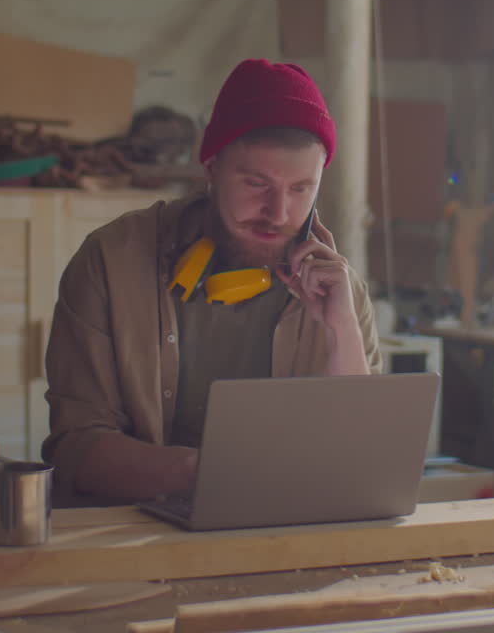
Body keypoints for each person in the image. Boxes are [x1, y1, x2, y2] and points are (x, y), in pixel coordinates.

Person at [41, 59, 383, 505]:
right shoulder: (110, 261)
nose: (278, 214)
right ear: (210, 166)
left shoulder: (339, 290)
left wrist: (342, 333)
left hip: (285, 536)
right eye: (256, 183)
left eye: (301, 189)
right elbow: (74, 448)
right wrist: (199, 473)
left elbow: (362, 462)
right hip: (130, 537)